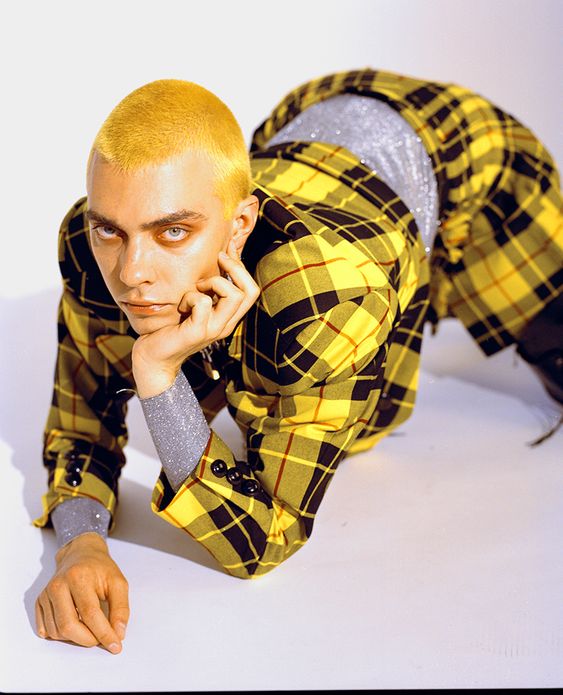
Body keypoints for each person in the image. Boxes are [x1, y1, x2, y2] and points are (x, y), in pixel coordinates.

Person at [33, 67, 562, 654]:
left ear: (241, 226)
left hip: (467, 149)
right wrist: (80, 543)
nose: (132, 274)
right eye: (110, 230)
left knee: (381, 417)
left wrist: (158, 378)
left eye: (173, 232)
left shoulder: (333, 295)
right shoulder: (89, 248)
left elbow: (264, 541)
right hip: (318, 123)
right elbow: (81, 424)